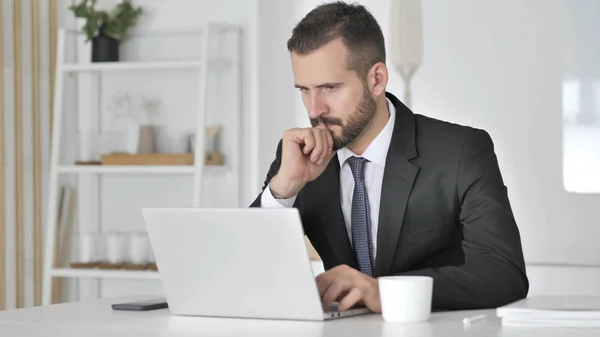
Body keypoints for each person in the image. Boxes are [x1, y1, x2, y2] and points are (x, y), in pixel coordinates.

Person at [250, 1, 528, 313]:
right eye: (304, 89)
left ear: (377, 79)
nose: (314, 109)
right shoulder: (297, 157)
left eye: (330, 87)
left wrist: (383, 292)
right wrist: (281, 192)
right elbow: (244, 269)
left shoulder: (461, 151)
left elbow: (504, 274)